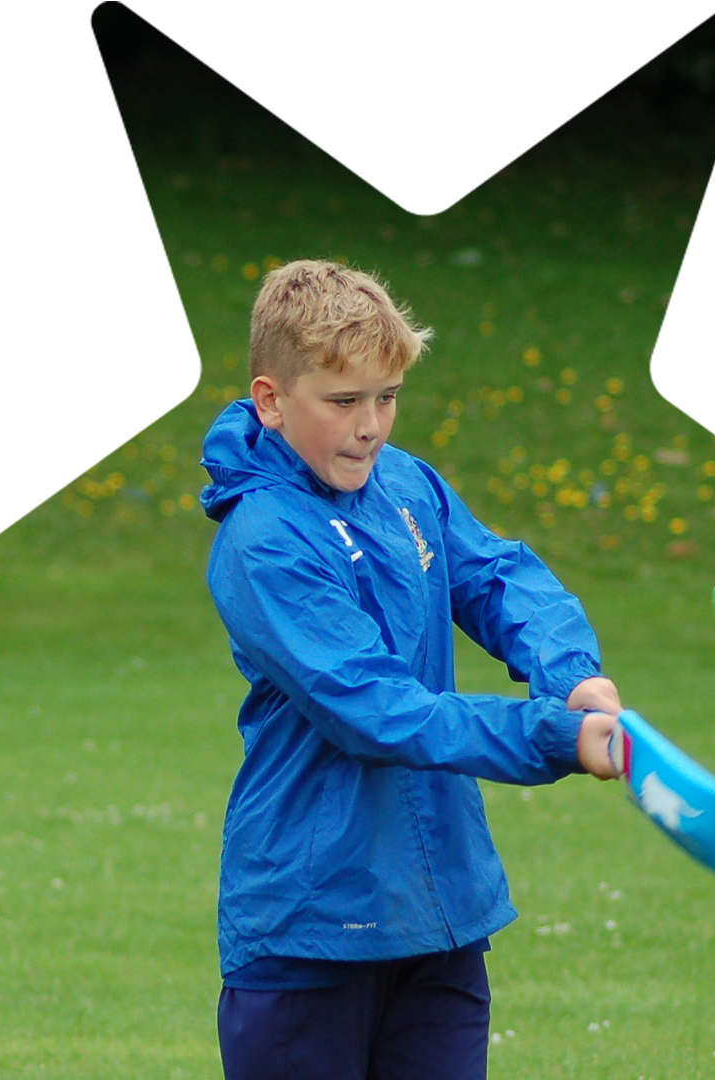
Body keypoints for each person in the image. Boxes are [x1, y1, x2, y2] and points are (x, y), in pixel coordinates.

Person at [200, 260, 621, 1080]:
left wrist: (572, 675)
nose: (371, 427)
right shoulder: (266, 542)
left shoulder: (404, 484)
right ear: (272, 399)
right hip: (309, 930)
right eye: (344, 401)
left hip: (440, 917)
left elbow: (499, 577)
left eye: (387, 397)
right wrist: (554, 737)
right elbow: (375, 708)